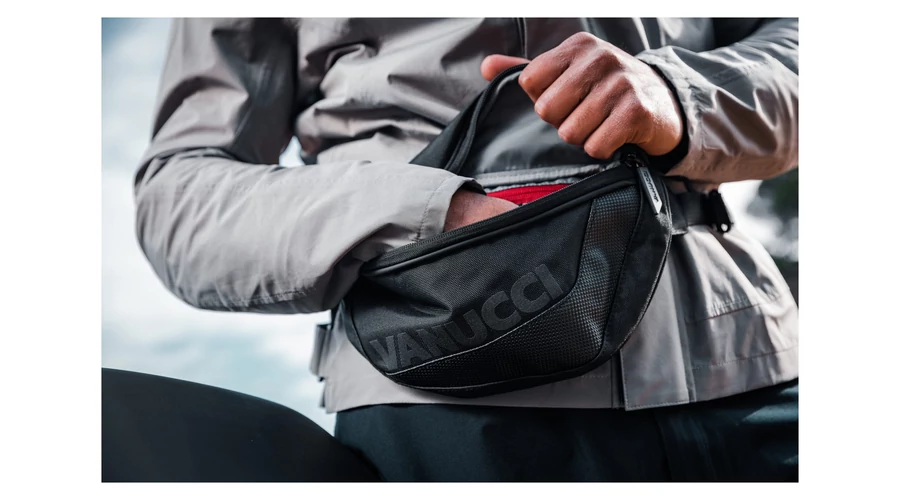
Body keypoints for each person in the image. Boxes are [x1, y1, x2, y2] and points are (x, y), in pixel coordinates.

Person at [134, 18, 799, 481]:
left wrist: (682, 95)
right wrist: (426, 212)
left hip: (754, 372)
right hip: (448, 400)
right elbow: (178, 201)